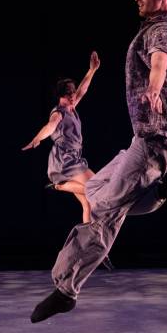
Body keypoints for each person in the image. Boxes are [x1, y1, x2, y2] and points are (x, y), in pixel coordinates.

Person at [31, 0, 167, 323]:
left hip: (155, 141)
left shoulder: (162, 32)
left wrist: (154, 88)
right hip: (159, 141)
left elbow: (160, 62)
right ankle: (161, 193)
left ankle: (66, 288)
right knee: (97, 188)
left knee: (103, 210)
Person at [23, 52, 102, 223]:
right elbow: (50, 126)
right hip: (65, 160)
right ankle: (60, 185)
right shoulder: (58, 113)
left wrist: (92, 70)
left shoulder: (72, 107)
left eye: (73, 92)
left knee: (88, 204)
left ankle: (87, 244)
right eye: (68, 94)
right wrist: (37, 138)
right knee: (97, 188)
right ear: (61, 96)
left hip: (74, 157)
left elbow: (83, 89)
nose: (73, 95)